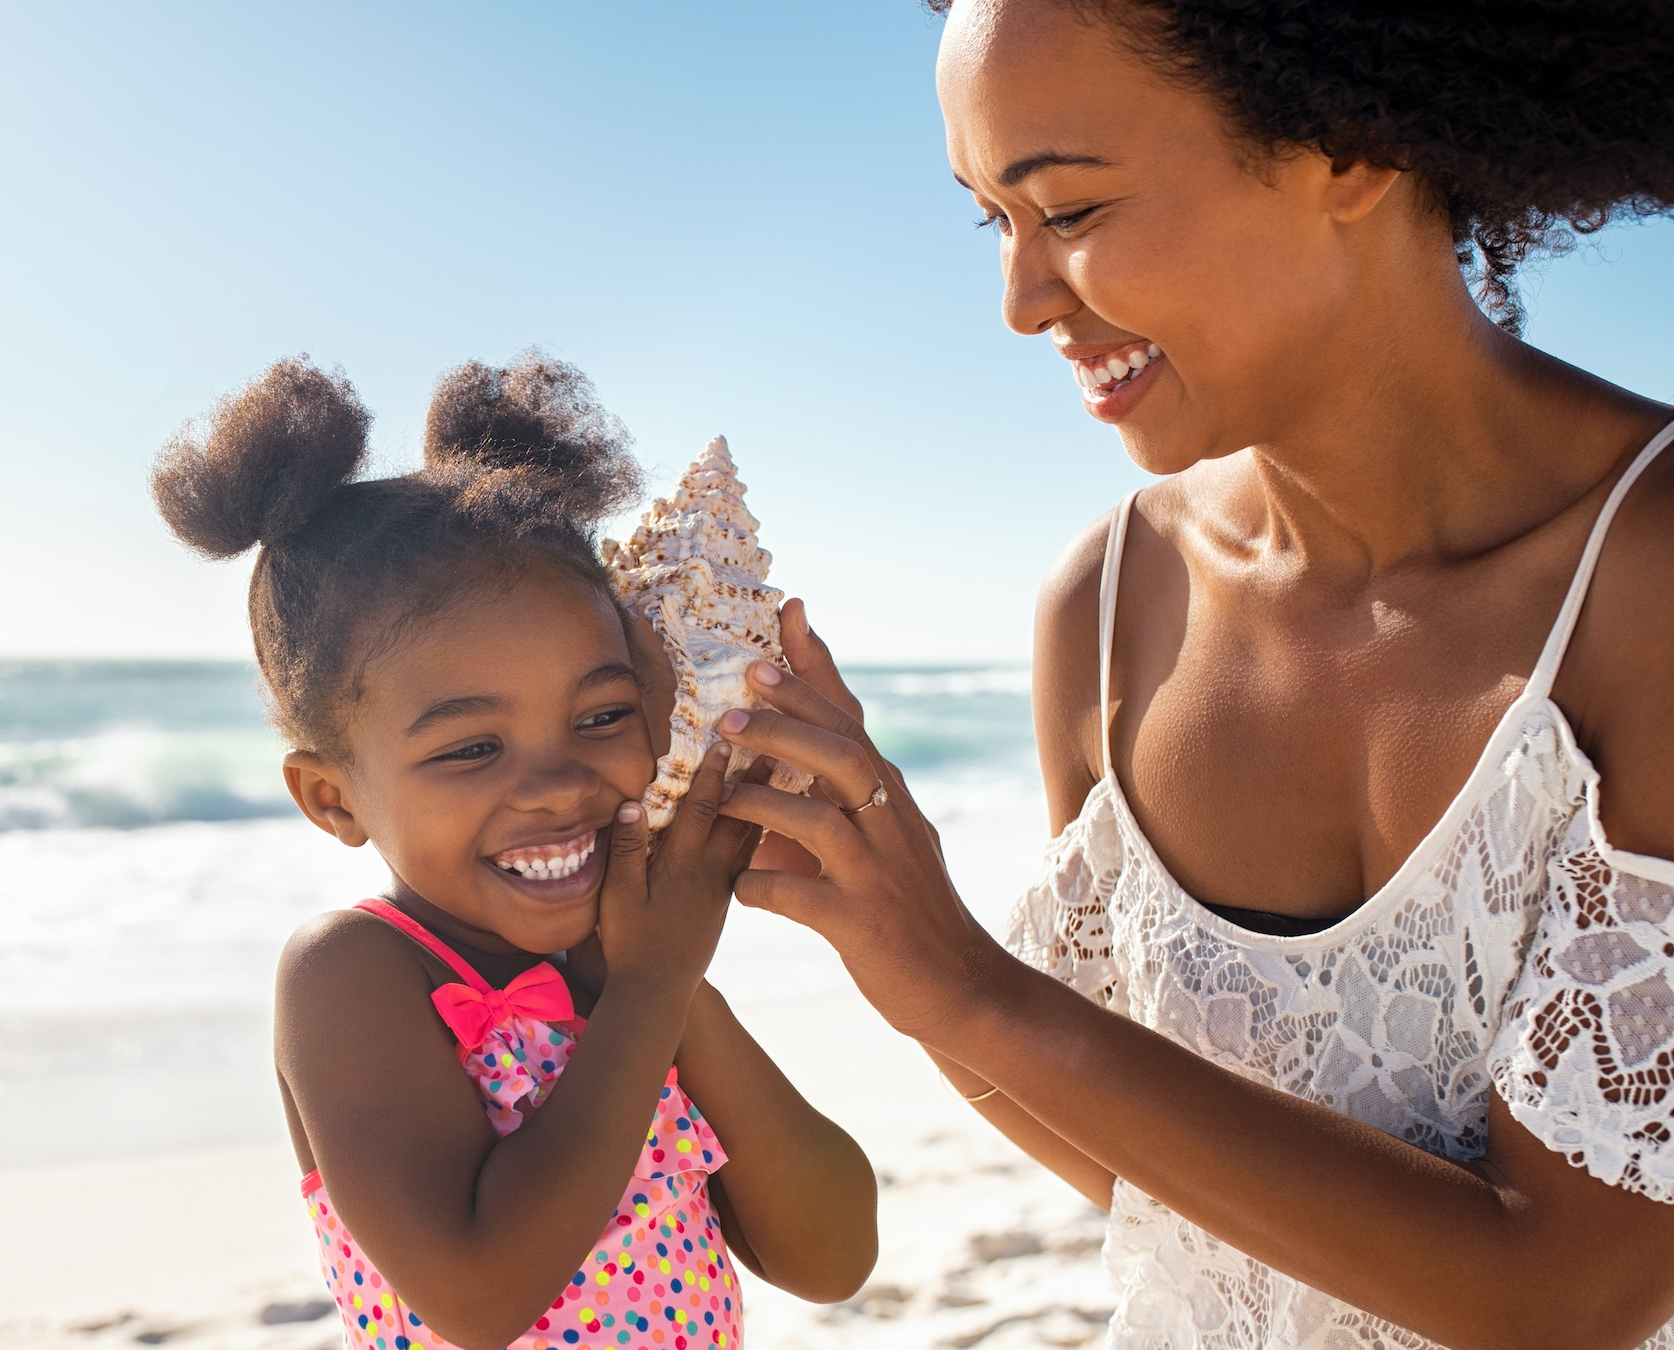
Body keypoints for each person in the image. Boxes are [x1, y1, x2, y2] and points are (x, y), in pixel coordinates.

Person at [707, 2, 1674, 1347]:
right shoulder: (1105, 611)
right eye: (995, 220)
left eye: (1074, 210)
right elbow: (1140, 1178)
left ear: (1348, 146)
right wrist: (891, 940)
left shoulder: (1648, 583)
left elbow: (1575, 1292)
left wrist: (975, 990)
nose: (1021, 300)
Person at [150, 353, 876, 1350]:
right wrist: (652, 987)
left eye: (604, 714)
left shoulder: (633, 977)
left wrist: (675, 998)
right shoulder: (353, 973)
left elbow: (832, 1259)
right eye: (472, 748)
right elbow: (481, 1294)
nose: (556, 783)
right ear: (332, 797)